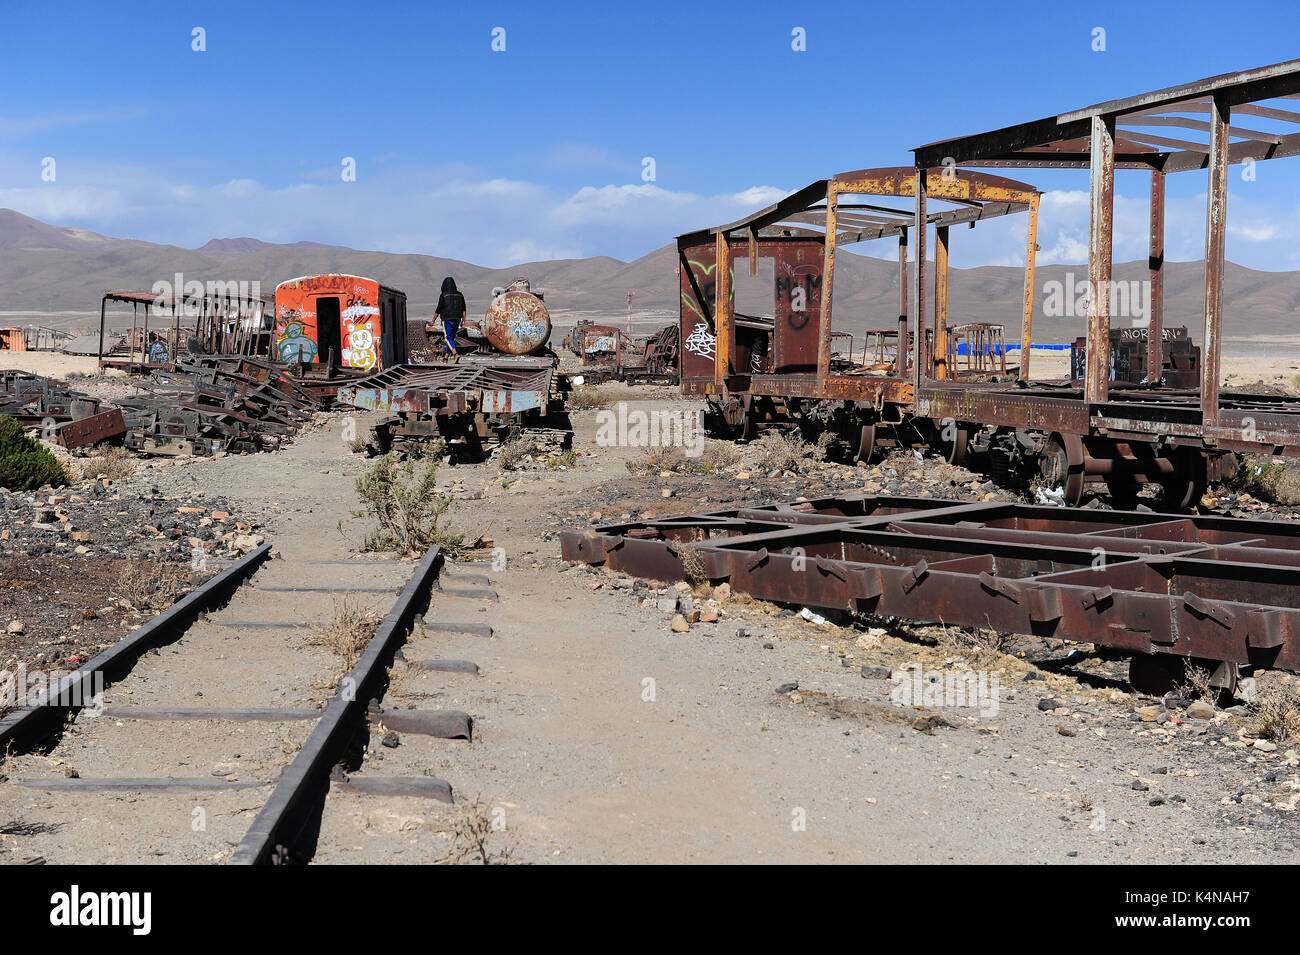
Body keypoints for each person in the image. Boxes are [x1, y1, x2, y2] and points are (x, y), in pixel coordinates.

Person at [435, 277, 466, 356]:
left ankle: (455, 354)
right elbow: (464, 309)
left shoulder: (443, 295)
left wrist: (432, 321)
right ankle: (445, 358)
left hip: (447, 320)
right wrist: (463, 322)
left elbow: (438, 309)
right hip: (457, 319)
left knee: (447, 338)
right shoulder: (460, 294)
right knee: (451, 338)